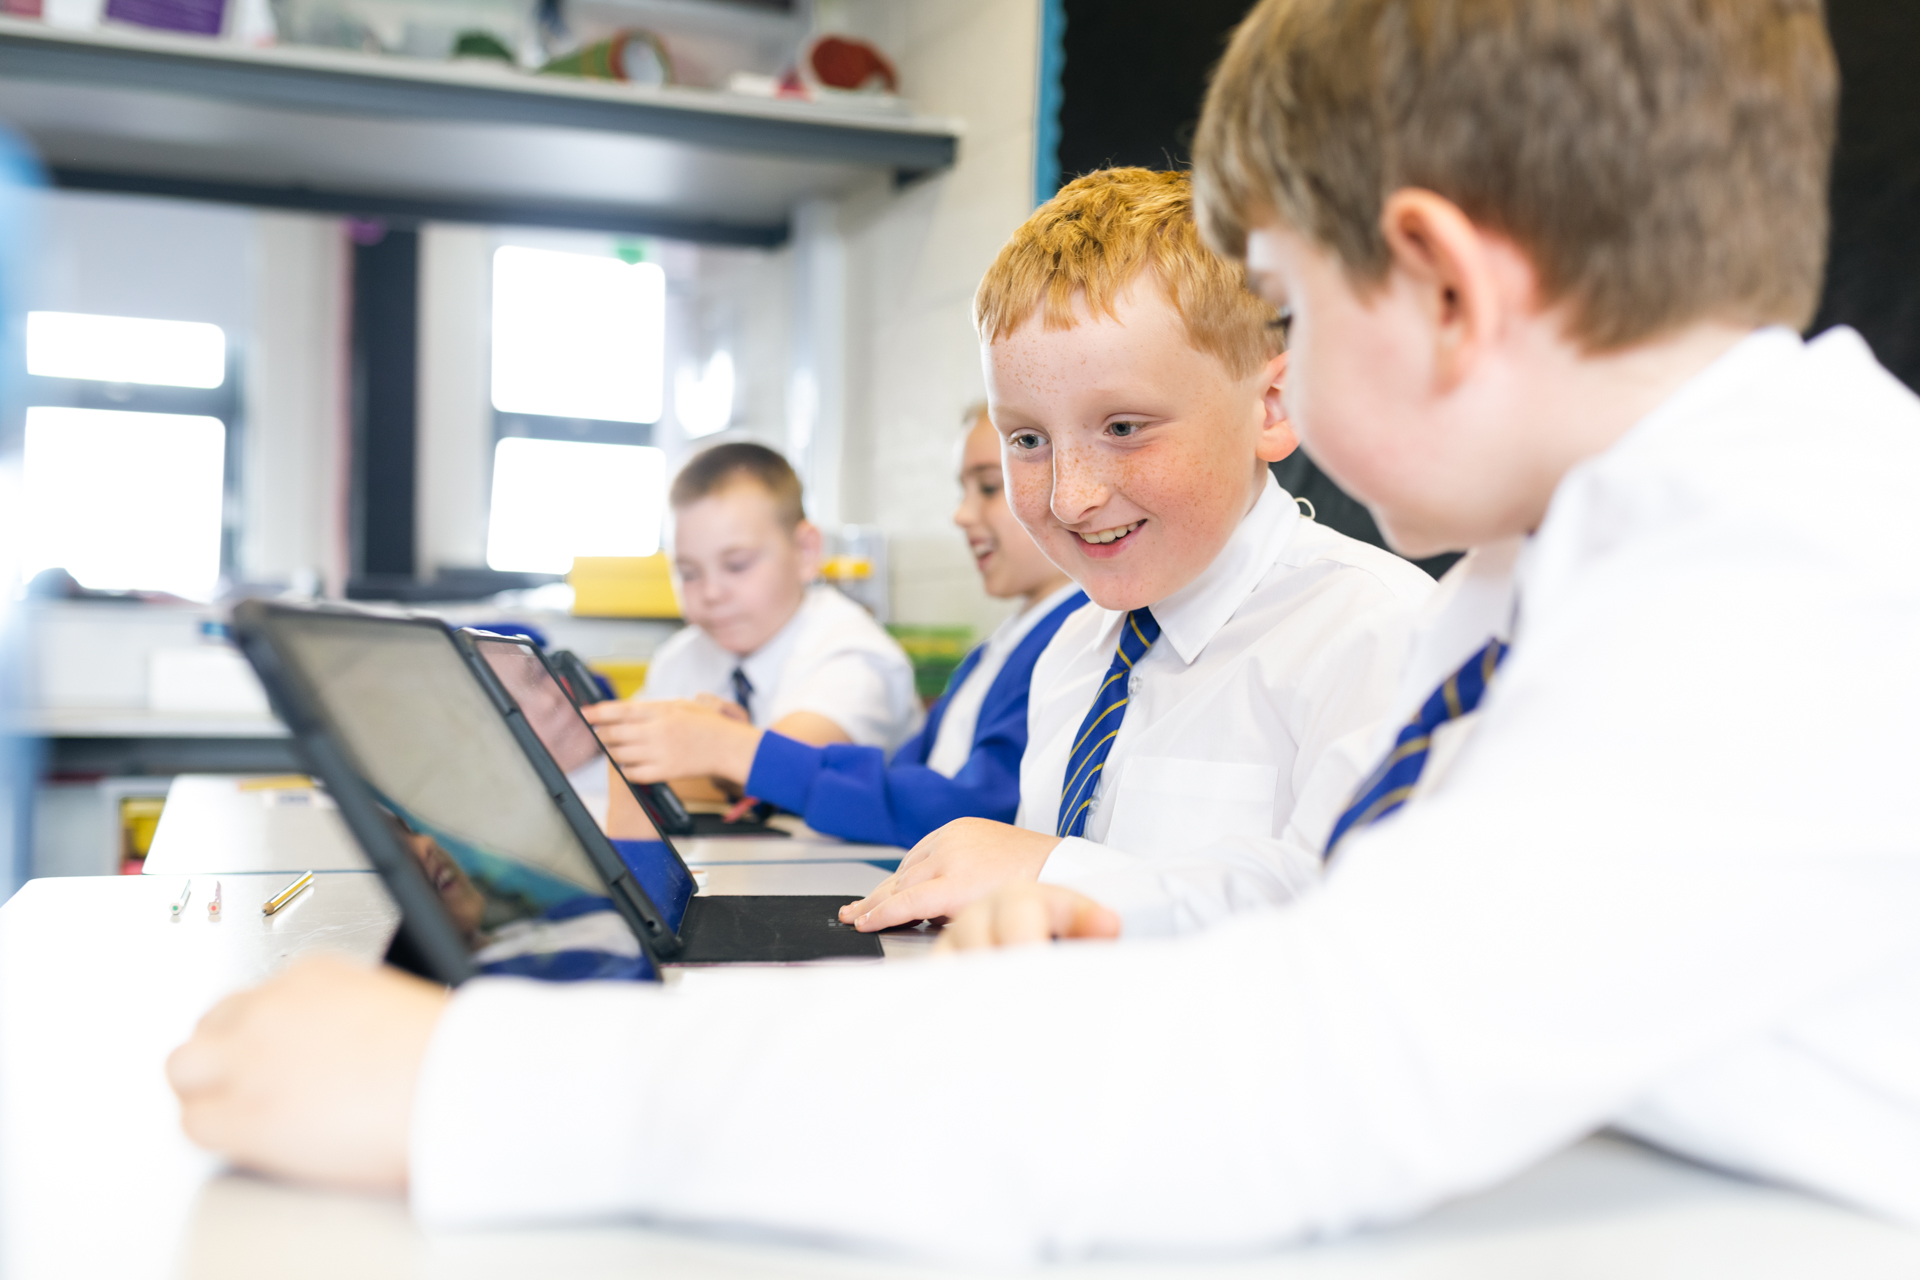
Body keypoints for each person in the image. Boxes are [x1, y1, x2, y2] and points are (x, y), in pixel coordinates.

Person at [166, 0, 1920, 1261]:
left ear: (1446, 290)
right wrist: (1120, 902)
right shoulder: (1551, 574)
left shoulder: (1785, 597)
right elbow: (1367, 939)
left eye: (1292, 308)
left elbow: (1298, 1068)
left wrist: (488, 1090)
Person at [839, 167, 1433, 935]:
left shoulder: (1377, 632)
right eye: (1027, 440)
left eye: (1123, 428)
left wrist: (1051, 874)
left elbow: (1360, 916)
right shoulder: (1073, 651)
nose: (1069, 498)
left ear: (1271, 408)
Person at [602, 405, 1086, 846]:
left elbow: (972, 810)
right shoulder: (999, 649)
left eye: (989, 486)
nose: (960, 514)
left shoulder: (1071, 647)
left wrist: (735, 751)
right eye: (688, 572)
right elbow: (906, 780)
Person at [584, 442, 922, 804]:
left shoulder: (854, 655)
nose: (711, 592)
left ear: (806, 551)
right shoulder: (681, 657)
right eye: (689, 573)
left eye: (737, 565)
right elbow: (619, 765)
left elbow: (781, 772)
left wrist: (696, 750)